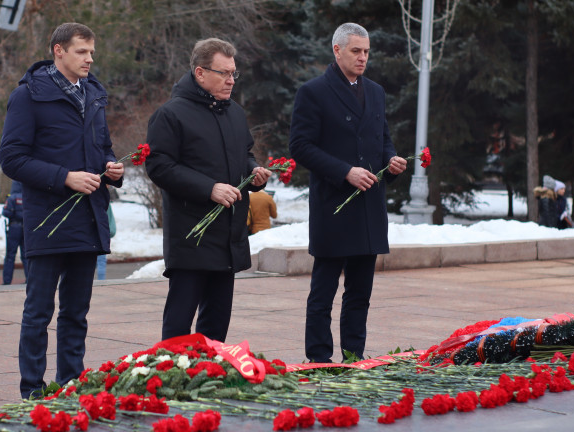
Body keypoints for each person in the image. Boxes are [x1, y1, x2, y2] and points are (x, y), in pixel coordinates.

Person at [0, 22, 124, 399]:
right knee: (38, 312)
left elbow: (102, 146)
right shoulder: (28, 96)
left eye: (91, 52)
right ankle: (32, 391)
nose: (90, 59)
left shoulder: (94, 93)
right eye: (82, 52)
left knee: (76, 314)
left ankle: (72, 385)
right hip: (48, 222)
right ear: (58, 50)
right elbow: (12, 159)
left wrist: (112, 167)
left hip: (87, 219)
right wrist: (65, 177)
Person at [289, 23, 407, 363]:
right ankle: (319, 358)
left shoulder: (376, 91)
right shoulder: (313, 92)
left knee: (360, 292)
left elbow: (382, 138)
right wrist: (344, 171)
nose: (363, 57)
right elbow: (300, 146)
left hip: (369, 205)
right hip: (334, 204)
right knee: (323, 291)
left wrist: (391, 160)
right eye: (356, 51)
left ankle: (354, 357)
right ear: (337, 50)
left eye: (367, 51)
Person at [145, 38, 271, 343]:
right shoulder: (171, 114)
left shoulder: (235, 113)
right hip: (191, 235)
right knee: (179, 323)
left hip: (227, 236)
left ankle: (209, 380)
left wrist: (254, 171)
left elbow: (245, 154)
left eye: (233, 73)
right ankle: (170, 378)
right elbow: (159, 166)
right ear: (200, 73)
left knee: (216, 325)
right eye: (223, 73)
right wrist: (209, 188)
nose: (231, 80)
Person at [2, 181, 29, 285]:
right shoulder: (27, 197)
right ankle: (29, 279)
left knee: (10, 255)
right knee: (25, 255)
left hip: (14, 228)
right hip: (25, 229)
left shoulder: (12, 198)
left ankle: (7, 281)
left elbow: (5, 212)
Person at [95, 203, 116, 280]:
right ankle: (101, 281)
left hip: (89, 235)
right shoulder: (104, 201)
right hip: (102, 235)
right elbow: (110, 220)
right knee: (101, 261)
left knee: (89, 261)